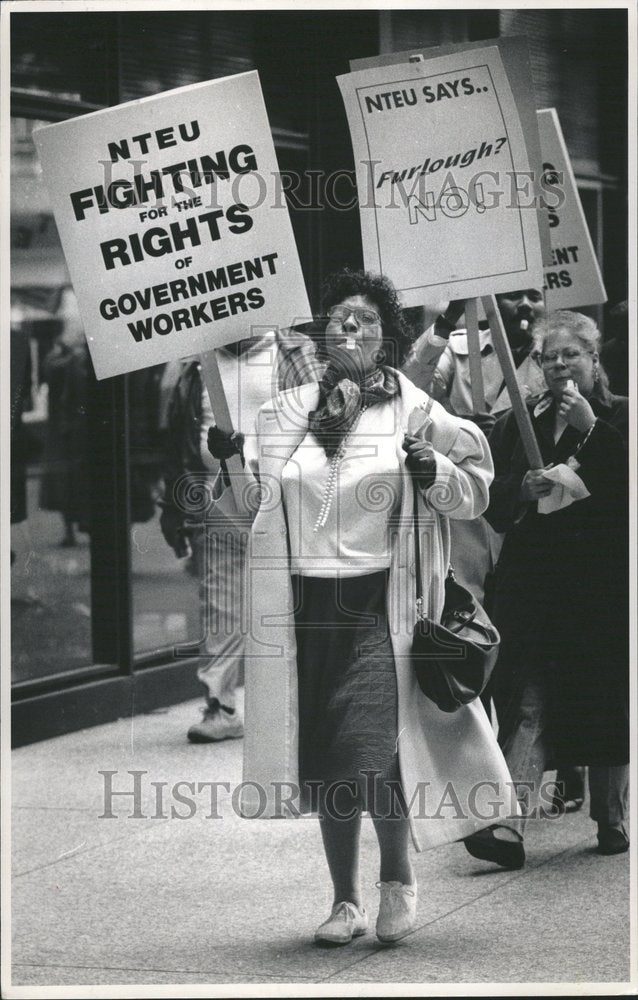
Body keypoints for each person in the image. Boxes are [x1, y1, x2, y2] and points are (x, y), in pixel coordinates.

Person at [210, 269, 516, 945]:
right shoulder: (282, 413)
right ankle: (345, 900)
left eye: (365, 321)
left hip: (383, 605)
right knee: (326, 760)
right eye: (338, 319)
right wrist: (231, 466)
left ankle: (397, 882)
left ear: (387, 336)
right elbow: (245, 517)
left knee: (368, 751)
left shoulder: (414, 410)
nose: (349, 329)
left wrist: (435, 472)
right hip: (306, 609)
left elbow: (476, 490)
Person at [465, 310, 629, 869]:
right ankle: (508, 825)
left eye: (571, 355)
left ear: (594, 359)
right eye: (548, 356)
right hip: (534, 588)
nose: (559, 365)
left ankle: (612, 816)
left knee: (603, 708)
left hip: (599, 591)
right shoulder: (519, 424)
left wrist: (590, 431)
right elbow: (495, 497)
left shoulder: (619, 417)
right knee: (527, 704)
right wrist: (522, 489)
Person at [159, 328, 320, 742]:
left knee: (296, 601)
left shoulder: (292, 351)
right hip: (216, 501)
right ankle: (221, 706)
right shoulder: (193, 363)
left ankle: (307, 703)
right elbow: (176, 438)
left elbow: (321, 424)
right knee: (221, 604)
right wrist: (176, 506)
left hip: (282, 499)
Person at [402, 289, 547, 605]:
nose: (524, 305)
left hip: (524, 497)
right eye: (513, 296)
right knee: (467, 603)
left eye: (534, 296)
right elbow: (411, 382)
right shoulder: (459, 346)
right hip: (468, 497)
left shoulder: (553, 354)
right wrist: (445, 321)